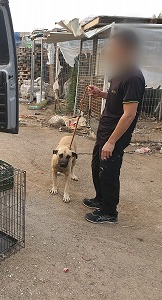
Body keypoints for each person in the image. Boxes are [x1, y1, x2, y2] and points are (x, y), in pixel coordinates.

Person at [83, 30, 145, 224]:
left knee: (108, 171)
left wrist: (111, 142)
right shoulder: (119, 72)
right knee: (97, 166)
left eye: (113, 46)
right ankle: (100, 199)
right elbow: (117, 98)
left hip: (115, 135)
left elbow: (129, 114)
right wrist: (101, 93)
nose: (109, 50)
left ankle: (109, 212)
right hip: (105, 129)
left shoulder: (133, 77)